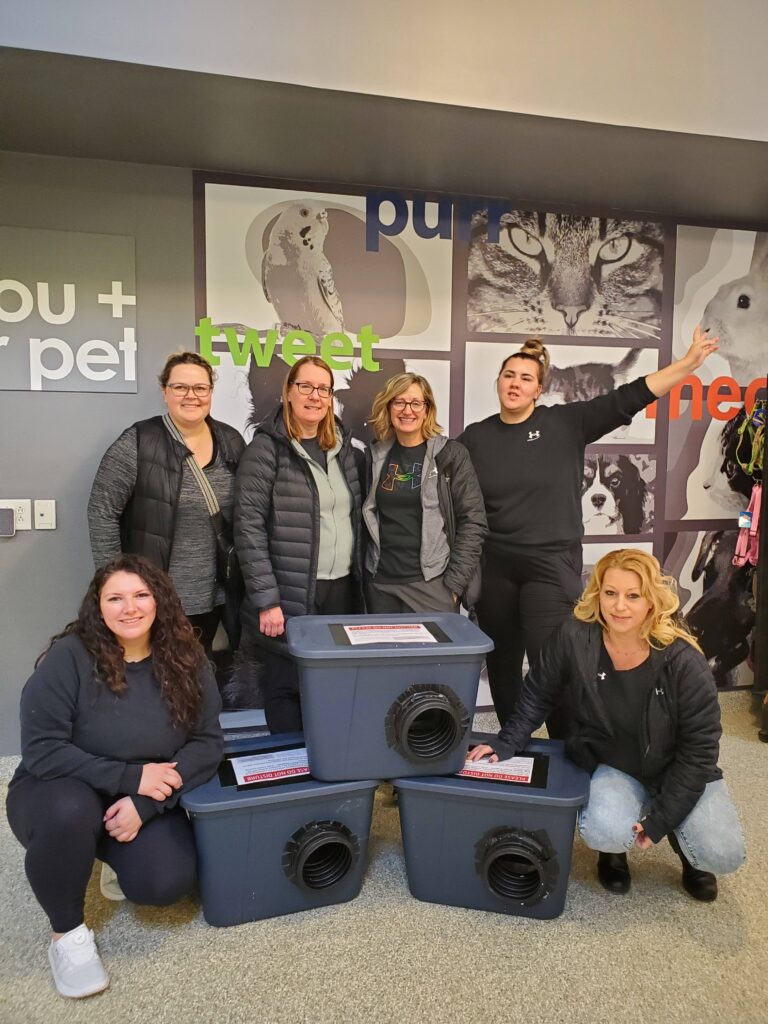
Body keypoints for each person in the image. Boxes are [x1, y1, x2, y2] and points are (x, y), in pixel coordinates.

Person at [458, 326, 720, 729]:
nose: (515, 383)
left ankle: (566, 749)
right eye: (509, 375)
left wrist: (686, 365)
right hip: (496, 566)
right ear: (497, 382)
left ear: (538, 389)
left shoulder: (566, 423)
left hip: (549, 563)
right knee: (502, 661)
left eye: (525, 378)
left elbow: (630, 396)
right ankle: (510, 747)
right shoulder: (476, 437)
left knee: (554, 661)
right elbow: (450, 491)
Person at [468, 549, 745, 902]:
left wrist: (663, 819)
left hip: (678, 768)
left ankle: (690, 852)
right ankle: (614, 852)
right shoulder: (574, 635)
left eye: (633, 595)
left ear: (651, 601)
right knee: (602, 830)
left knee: (723, 852)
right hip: (616, 764)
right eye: (610, 593)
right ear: (597, 594)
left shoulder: (684, 660)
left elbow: (700, 751)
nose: (619, 606)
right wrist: (507, 742)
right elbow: (539, 692)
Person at [5, 555, 224, 998]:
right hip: (60, 787)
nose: (130, 608)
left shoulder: (186, 658)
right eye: (115, 598)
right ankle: (65, 936)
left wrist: (147, 803)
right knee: (69, 813)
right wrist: (130, 778)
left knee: (163, 883)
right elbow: (43, 751)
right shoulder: (68, 658)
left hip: (139, 794)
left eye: (141, 595)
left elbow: (207, 743)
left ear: (159, 601)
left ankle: (102, 848)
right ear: (98, 606)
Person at [234, 356, 363, 732]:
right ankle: (293, 775)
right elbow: (248, 526)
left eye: (323, 389)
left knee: (331, 685)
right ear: (288, 392)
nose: (314, 396)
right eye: (305, 386)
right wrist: (267, 599)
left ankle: (329, 764)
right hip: (288, 595)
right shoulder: (266, 449)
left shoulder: (344, 451)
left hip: (340, 590)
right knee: (285, 686)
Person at [87, 351, 245, 656]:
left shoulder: (231, 441)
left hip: (219, 596)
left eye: (200, 388)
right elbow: (102, 511)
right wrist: (116, 587)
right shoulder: (138, 442)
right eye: (180, 387)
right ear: (165, 392)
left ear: (211, 392)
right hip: (156, 598)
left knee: (203, 674)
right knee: (159, 682)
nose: (191, 396)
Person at [363, 372, 488, 613]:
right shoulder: (375, 456)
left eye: (415, 403)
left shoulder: (450, 455)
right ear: (388, 407)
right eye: (398, 402)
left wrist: (453, 586)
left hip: (431, 586)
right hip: (380, 586)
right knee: (384, 652)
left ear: (427, 409)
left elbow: (474, 522)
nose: (406, 410)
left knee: (432, 652)